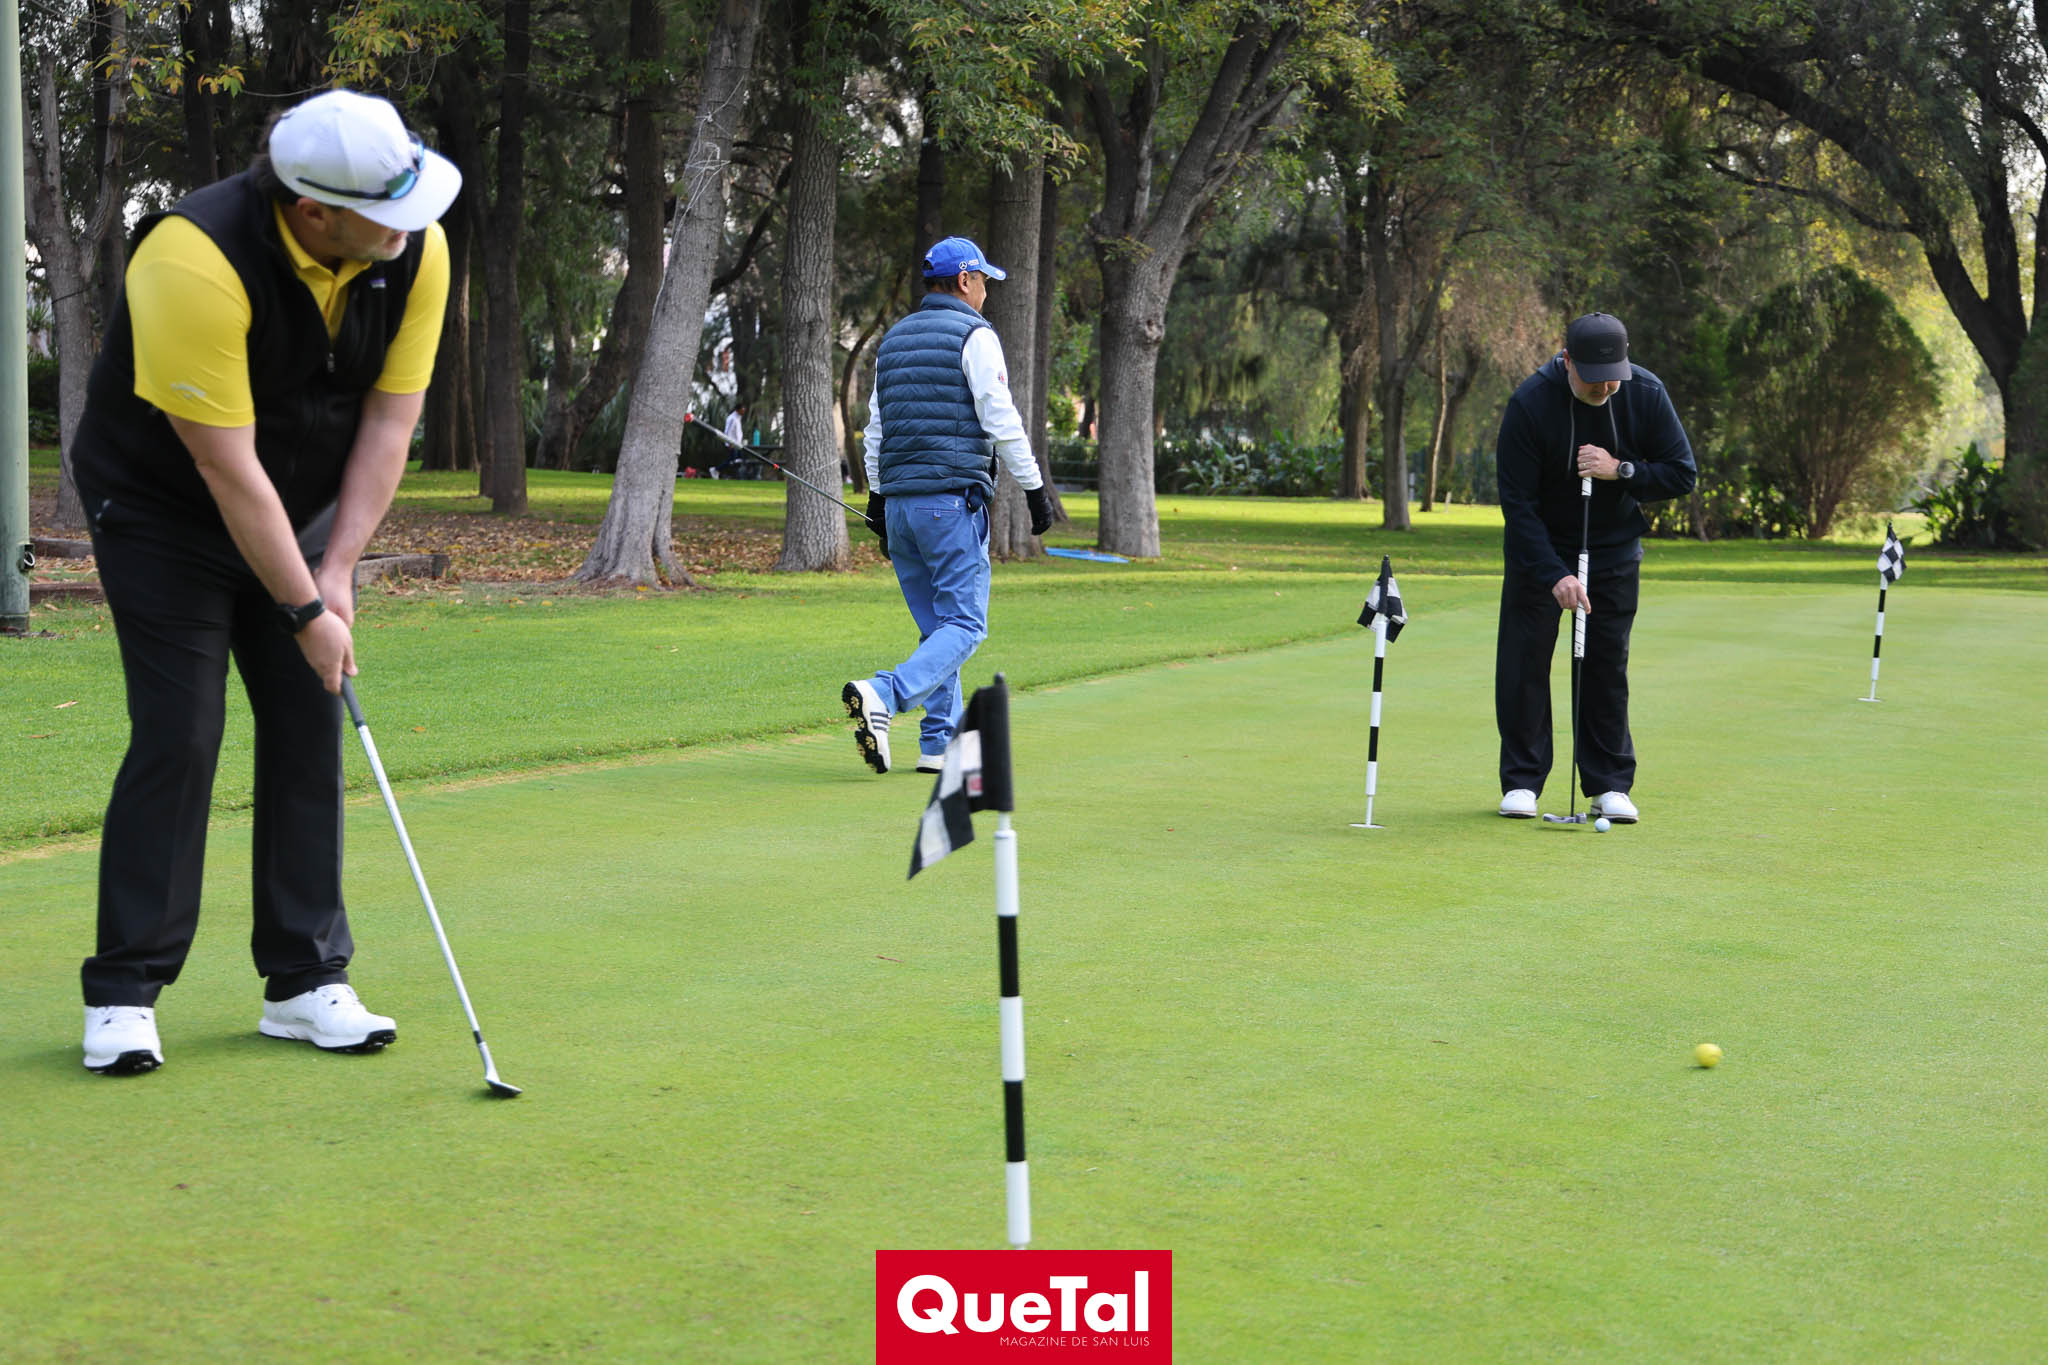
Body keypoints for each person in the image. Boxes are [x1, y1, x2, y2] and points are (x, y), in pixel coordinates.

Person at [67, 89, 461, 1075]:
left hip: (303, 503)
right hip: (163, 509)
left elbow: (390, 422)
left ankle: (304, 979)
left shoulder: (415, 248)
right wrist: (302, 606)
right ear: (312, 211)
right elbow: (224, 465)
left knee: (308, 716)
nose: (409, 223)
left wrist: (338, 572)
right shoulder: (190, 258)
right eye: (384, 210)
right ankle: (124, 990)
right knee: (182, 729)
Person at [843, 236, 1055, 775]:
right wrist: (1034, 489)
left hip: (899, 508)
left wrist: (877, 497)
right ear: (964, 281)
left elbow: (876, 430)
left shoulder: (894, 340)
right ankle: (885, 694)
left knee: (939, 629)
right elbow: (999, 416)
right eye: (982, 281)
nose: (986, 292)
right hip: (948, 504)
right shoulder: (974, 334)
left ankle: (939, 744)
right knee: (965, 624)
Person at [1493, 312, 1696, 823]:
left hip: (1613, 549)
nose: (1604, 388)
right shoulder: (1530, 404)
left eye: (1613, 378)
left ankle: (1608, 784)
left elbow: (1681, 473)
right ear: (1567, 361)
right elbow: (1518, 506)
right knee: (1524, 665)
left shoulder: (1645, 392)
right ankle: (1522, 781)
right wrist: (1553, 574)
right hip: (1541, 550)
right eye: (1593, 378)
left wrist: (1620, 470)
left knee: (1605, 666)